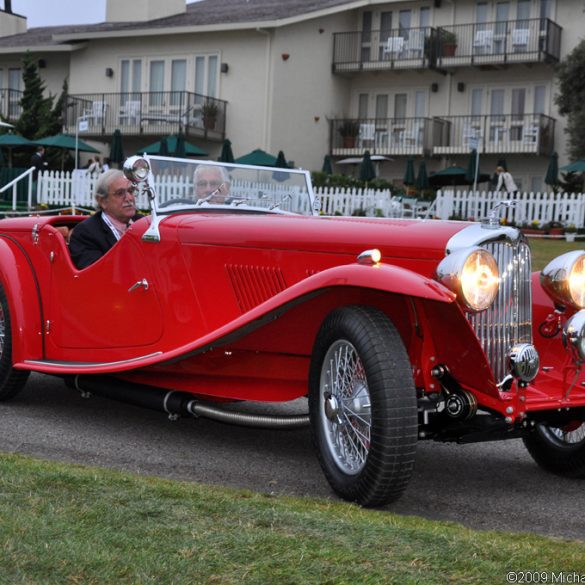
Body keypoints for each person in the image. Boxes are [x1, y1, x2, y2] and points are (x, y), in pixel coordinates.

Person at [69, 169, 143, 269]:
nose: (129, 198)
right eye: (120, 193)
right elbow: (96, 273)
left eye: (131, 191)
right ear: (103, 201)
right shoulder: (86, 233)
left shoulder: (144, 224)